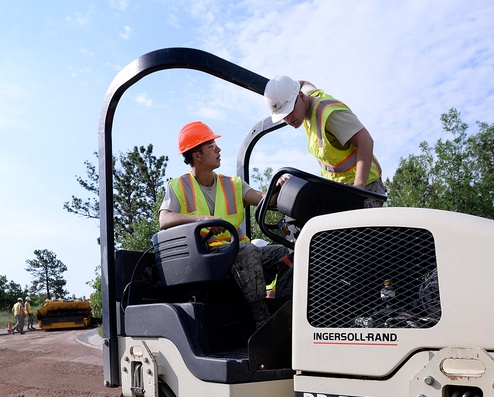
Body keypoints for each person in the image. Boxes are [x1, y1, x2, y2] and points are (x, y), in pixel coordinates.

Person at [159, 121, 292, 327]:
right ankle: (261, 320)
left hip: (237, 250)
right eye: (211, 145)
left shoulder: (233, 184)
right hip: (206, 257)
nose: (218, 149)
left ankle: (283, 310)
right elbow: (164, 219)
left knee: (291, 252)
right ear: (197, 155)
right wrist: (202, 220)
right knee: (247, 251)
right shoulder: (178, 186)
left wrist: (278, 187)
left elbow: (267, 200)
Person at [264, 76, 385, 206]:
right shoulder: (308, 97)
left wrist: (358, 187)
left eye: (289, 111)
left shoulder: (329, 114)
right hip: (341, 189)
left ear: (301, 96)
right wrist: (279, 90)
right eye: (283, 116)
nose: (288, 119)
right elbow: (303, 83)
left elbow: (365, 140)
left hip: (366, 188)